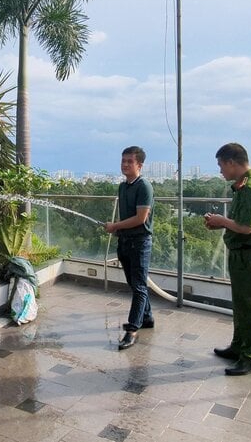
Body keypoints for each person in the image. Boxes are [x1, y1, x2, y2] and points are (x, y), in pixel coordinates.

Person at [204, 142, 251, 375]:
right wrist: (221, 224)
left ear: (232, 162)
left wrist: (221, 222)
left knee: (250, 307)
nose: (220, 170)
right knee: (242, 305)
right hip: (242, 254)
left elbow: (246, 227)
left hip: (249, 255)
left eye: (221, 165)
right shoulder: (245, 184)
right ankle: (239, 347)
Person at [104, 146, 155, 350]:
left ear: (139, 165)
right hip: (124, 241)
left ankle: (132, 330)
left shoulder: (144, 187)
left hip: (140, 243)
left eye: (129, 162)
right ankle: (148, 318)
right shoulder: (123, 186)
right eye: (123, 160)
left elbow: (141, 218)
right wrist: (117, 229)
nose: (125, 164)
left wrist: (115, 226)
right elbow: (126, 217)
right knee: (136, 284)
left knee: (139, 286)